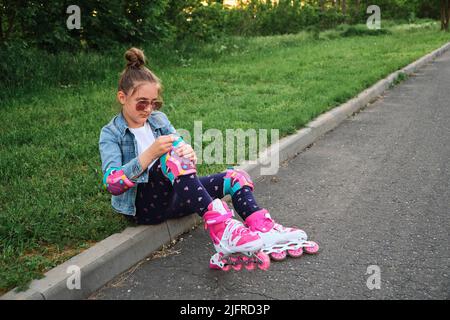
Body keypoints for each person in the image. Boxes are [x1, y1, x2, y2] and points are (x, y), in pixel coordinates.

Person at [99, 48, 318, 271]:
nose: (148, 109)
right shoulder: (111, 134)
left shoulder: (158, 119)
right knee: (169, 159)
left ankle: (263, 230)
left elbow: (178, 145)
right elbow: (112, 183)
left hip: (177, 196)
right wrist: (151, 154)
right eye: (141, 102)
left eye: (154, 103)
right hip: (146, 206)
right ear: (122, 97)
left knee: (235, 177)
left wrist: (187, 151)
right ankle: (223, 230)